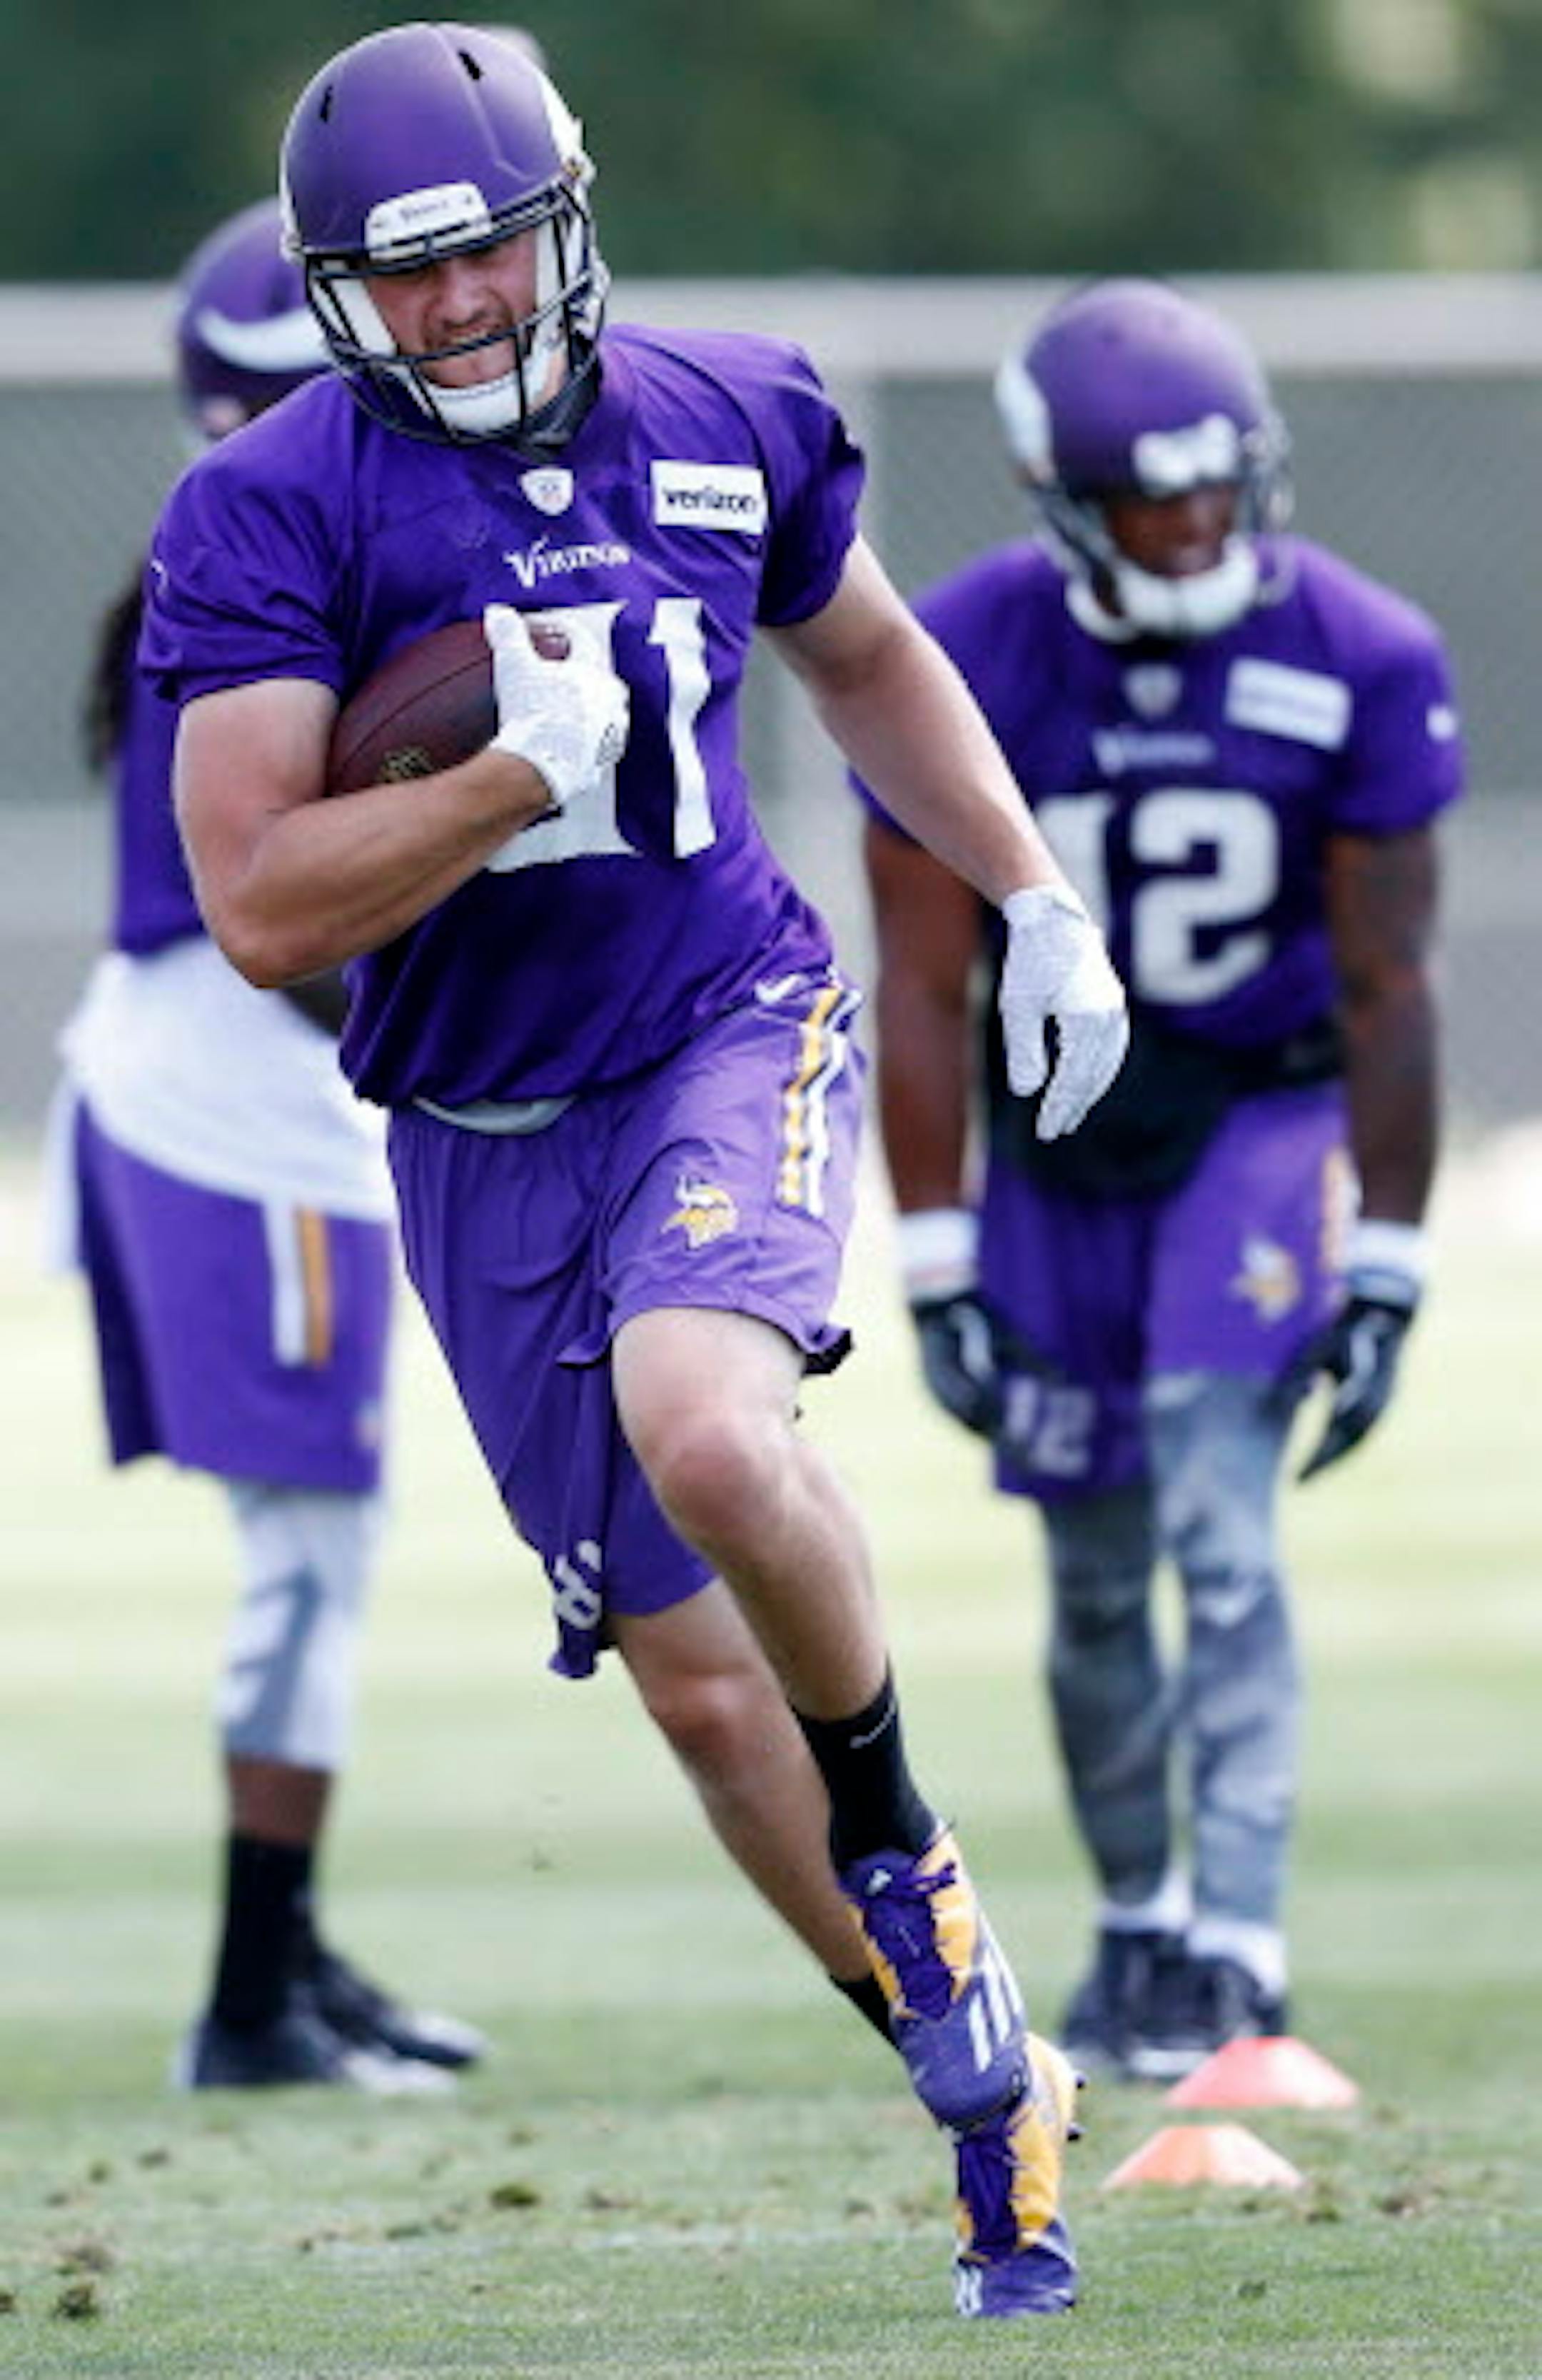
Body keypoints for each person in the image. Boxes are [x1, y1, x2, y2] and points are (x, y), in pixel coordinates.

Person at [141, 25, 1129, 2320]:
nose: (463, 308)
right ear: (332, 298)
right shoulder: (274, 509)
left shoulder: (729, 407)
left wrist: (1030, 891)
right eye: (408, 281)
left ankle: (898, 1842)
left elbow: (869, 658)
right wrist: (496, 779)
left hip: (722, 1023)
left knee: (713, 1412)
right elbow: (267, 904)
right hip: (475, 1132)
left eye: (490, 252)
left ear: (562, 225)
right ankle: (982, 2063)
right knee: (694, 1696)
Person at [859, 278, 1463, 2082]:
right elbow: (924, 978)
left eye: (1218, 485)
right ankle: (1138, 1929)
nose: (1196, 524)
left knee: (1221, 1518)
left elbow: (1388, 982)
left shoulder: (1361, 650)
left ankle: (1240, 1940)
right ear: (1062, 494)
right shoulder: (961, 644)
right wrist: (939, 1254)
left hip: (1254, 1117)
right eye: (1152, 495)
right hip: (1059, 1134)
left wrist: (1401, 1254)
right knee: (1099, 1568)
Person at [50, 197, 484, 2093]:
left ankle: (290, 1950)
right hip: (238, 1118)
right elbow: (288, 943)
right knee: (309, 1557)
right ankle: (249, 1993)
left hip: (235, 1105)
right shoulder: (238, 596)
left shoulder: (267, 568)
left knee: (327, 1548)